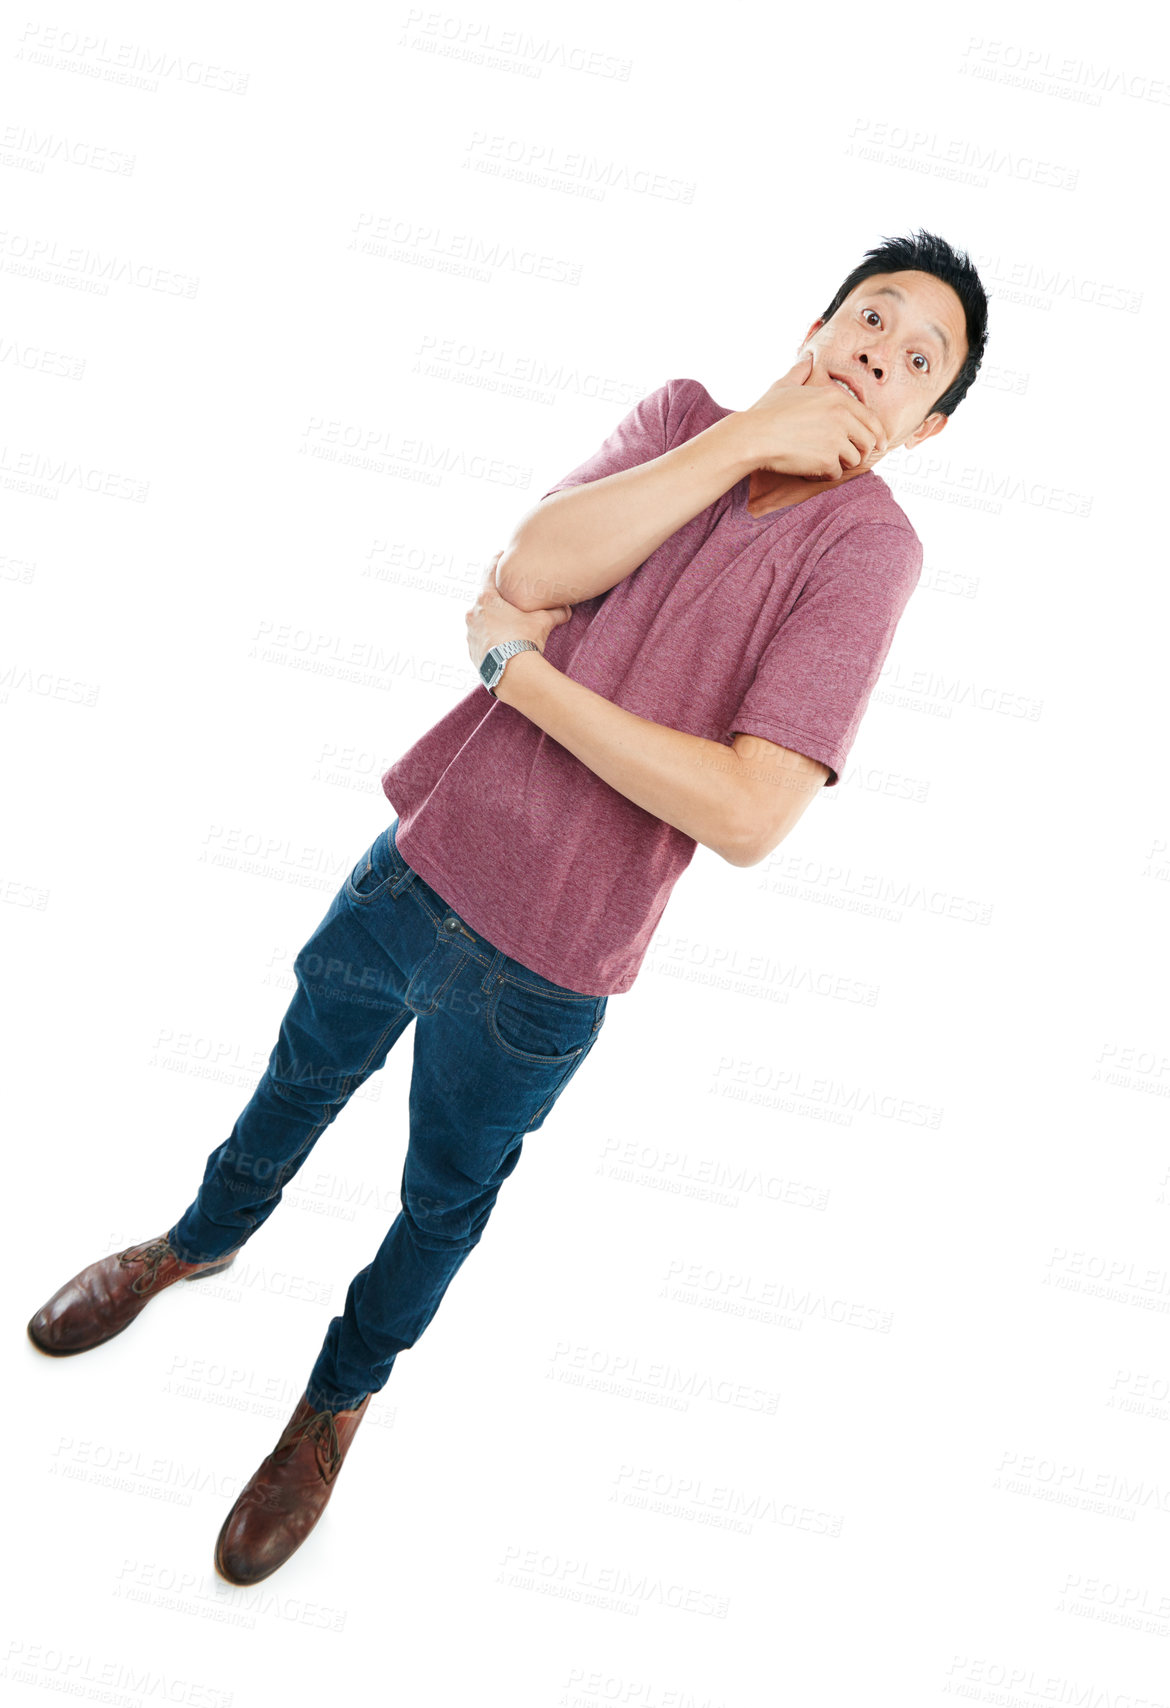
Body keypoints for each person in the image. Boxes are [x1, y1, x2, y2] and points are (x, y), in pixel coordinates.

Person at [27, 228, 989, 1585]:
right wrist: (736, 441)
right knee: (294, 1080)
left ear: (922, 426)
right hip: (420, 858)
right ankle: (195, 1245)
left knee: (442, 1198)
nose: (876, 355)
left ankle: (335, 1400)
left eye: (913, 361)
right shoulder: (679, 423)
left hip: (551, 961)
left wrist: (519, 678)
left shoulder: (867, 550)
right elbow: (532, 569)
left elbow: (746, 812)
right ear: (812, 330)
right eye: (866, 322)